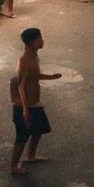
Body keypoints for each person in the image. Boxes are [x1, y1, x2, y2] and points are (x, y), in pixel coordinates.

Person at [9, 28, 61, 175]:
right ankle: (14, 166)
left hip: (34, 103)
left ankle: (31, 156)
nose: (43, 41)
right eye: (40, 38)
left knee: (39, 129)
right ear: (32, 42)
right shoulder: (25, 60)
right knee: (22, 137)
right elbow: (21, 84)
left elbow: (35, 76)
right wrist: (25, 110)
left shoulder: (34, 56)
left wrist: (52, 77)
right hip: (26, 105)